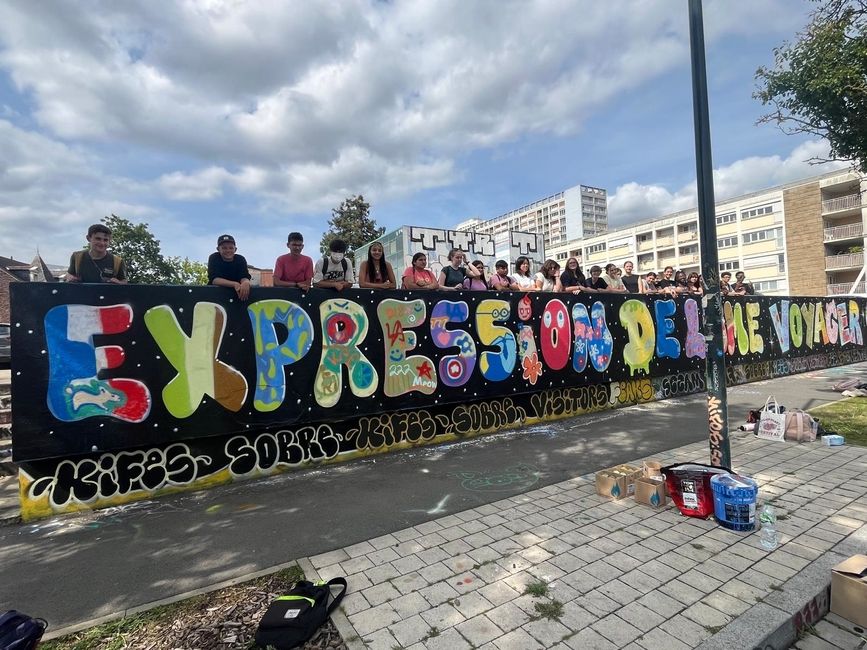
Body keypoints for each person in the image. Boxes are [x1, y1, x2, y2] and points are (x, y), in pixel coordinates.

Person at [208, 234, 251, 300]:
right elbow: (214, 280)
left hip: (237, 296)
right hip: (215, 295)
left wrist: (246, 282)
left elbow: (244, 276)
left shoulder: (240, 259)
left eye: (231, 248)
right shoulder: (214, 258)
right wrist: (234, 284)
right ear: (218, 249)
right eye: (224, 248)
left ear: (235, 249)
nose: (228, 250)